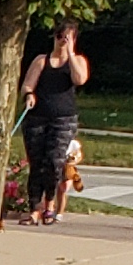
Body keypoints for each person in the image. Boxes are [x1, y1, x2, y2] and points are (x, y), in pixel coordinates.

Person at [19, 22, 88, 226]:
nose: (62, 41)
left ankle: (50, 204)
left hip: (63, 119)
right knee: (36, 163)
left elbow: (80, 79)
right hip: (37, 118)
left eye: (67, 38)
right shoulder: (42, 60)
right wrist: (29, 95)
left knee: (54, 162)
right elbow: (27, 85)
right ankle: (34, 208)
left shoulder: (78, 61)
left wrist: (71, 53)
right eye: (59, 36)